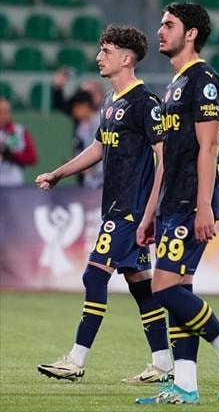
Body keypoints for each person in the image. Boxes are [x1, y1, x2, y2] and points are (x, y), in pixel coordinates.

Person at [34, 26, 171, 384]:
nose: (98, 57)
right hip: (116, 206)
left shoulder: (145, 103)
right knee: (140, 285)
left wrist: (150, 210)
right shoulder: (110, 100)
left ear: (126, 58)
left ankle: (76, 360)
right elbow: (98, 147)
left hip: (131, 210)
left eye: (106, 51)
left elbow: (165, 157)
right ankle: (163, 364)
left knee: (94, 275)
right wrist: (59, 173)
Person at [134, 2, 219, 405]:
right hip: (172, 200)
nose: (160, 30)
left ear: (191, 34)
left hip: (191, 198)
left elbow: (209, 146)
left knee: (163, 288)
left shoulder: (205, 81)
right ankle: (186, 384)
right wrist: (152, 212)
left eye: (169, 24)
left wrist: (203, 205)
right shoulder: (175, 85)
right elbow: (167, 157)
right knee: (180, 287)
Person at [52, 68, 103, 187]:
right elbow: (62, 104)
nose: (74, 113)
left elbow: (100, 150)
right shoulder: (80, 123)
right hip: (88, 179)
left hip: (102, 178)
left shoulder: (103, 118)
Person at [0, 98, 38, 187]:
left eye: (6, 112)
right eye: (0, 112)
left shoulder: (19, 131)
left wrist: (11, 153)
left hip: (13, 182)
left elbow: (32, 158)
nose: (3, 115)